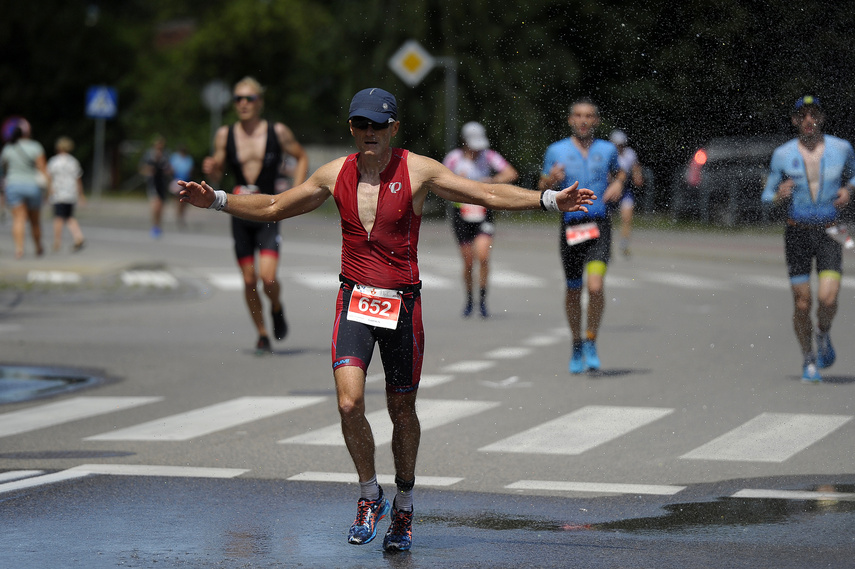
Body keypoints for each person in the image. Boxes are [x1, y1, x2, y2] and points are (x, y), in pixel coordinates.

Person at [178, 87, 594, 552]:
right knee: (349, 404)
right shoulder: (336, 172)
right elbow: (275, 205)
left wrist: (548, 200)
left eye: (378, 125)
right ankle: (369, 495)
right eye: (361, 125)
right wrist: (216, 199)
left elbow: (484, 192)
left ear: (394, 128)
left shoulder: (419, 170)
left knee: (401, 410)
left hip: (403, 305)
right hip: (354, 300)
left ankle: (405, 502)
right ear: (352, 128)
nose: (369, 133)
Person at [201, 76, 309, 355]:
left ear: (260, 101)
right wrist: (211, 168)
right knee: (249, 280)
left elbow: (301, 156)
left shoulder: (277, 131)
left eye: (249, 98)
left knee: (268, 279)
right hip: (239, 214)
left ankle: (276, 306)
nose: (243, 103)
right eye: (238, 98)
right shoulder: (225, 134)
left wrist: (296, 191)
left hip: (269, 211)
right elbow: (216, 172)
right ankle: (262, 334)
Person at [761, 95, 855, 383]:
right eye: (802, 116)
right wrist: (778, 194)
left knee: (828, 298)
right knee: (802, 303)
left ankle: (823, 334)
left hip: (830, 230)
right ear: (794, 121)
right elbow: (766, 197)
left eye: (813, 115)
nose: (808, 120)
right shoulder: (782, 154)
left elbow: (854, 176)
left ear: (821, 118)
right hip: (797, 232)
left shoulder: (842, 148)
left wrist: (849, 190)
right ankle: (808, 359)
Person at [539, 98, 626, 374]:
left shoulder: (608, 149)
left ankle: (591, 340)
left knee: (596, 287)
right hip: (572, 226)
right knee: (574, 289)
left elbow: (621, 172)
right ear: (570, 120)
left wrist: (619, 185)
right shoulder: (556, 150)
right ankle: (576, 342)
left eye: (589, 116)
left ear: (596, 121)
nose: (583, 120)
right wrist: (550, 180)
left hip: (599, 225)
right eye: (578, 115)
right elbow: (541, 185)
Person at [443, 122, 519, 318]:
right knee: (468, 262)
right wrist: (457, 183)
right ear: (465, 142)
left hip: (484, 212)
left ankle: (483, 300)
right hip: (462, 214)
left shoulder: (489, 156)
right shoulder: (453, 159)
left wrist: (492, 181)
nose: (477, 151)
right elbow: (440, 182)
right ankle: (469, 298)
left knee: (483, 257)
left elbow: (511, 173)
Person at [1, 117, 49, 259]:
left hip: (14, 185)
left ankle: (19, 249)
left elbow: (4, 169)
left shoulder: (8, 148)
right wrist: (50, 188)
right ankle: (38, 246)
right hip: (32, 186)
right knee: (35, 221)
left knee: (19, 218)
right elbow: (42, 168)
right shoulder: (35, 146)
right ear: (28, 132)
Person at [609, 129, 644, 258]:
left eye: (621, 144)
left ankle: (624, 244)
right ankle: (607, 246)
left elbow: (635, 167)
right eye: (617, 144)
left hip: (625, 190)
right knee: (608, 220)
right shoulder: (608, 153)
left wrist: (637, 176)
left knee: (627, 218)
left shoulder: (629, 154)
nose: (619, 147)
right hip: (610, 190)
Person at [46, 136, 86, 252]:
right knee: (69, 217)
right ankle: (78, 236)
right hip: (70, 193)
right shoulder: (73, 161)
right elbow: (78, 178)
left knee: (58, 218)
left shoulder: (54, 161)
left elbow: (49, 177)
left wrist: (49, 191)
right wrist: (81, 194)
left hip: (58, 193)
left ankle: (57, 242)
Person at [139, 134, 173, 239]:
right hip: (153, 183)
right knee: (156, 203)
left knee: (161, 206)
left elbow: (170, 169)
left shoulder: (166, 155)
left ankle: (158, 224)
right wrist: (149, 171)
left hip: (163, 183)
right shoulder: (149, 155)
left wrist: (167, 171)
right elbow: (142, 169)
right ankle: (155, 225)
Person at [169, 144, 194, 229]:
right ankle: (178, 215)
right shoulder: (175, 158)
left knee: (184, 201)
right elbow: (171, 169)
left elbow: (190, 170)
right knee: (178, 199)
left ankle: (180, 215)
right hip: (177, 181)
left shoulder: (188, 159)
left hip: (185, 181)